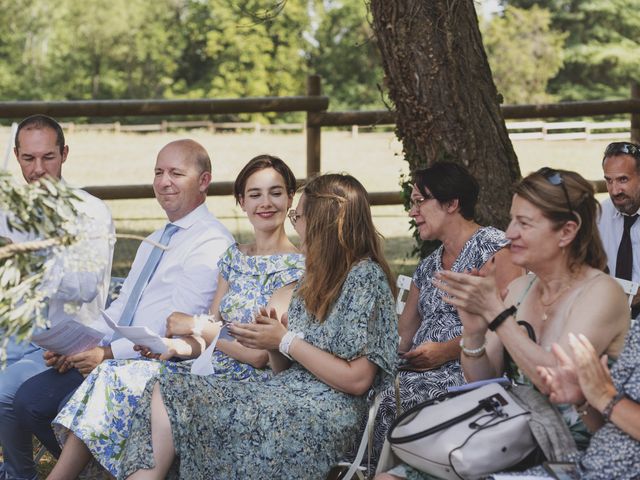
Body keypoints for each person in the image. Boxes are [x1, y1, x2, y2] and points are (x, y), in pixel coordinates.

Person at [117, 173, 398, 479]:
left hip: (328, 410)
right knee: (170, 388)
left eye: (298, 216)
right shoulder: (314, 277)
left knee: (236, 416)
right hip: (284, 392)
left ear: (323, 223)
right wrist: (273, 343)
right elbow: (283, 370)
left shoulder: (365, 279)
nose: (295, 225)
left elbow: (357, 381)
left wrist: (286, 341)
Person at [44, 154, 305, 479]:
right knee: (111, 373)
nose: (266, 203)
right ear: (241, 201)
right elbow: (209, 331)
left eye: (276, 192)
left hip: (248, 380)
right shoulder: (234, 256)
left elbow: (257, 355)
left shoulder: (296, 267)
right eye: (255, 194)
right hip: (204, 365)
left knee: (123, 382)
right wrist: (170, 346)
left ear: (290, 197)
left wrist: (202, 334)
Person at [12, 139, 234, 463]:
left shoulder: (211, 242)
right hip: (111, 353)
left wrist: (106, 354)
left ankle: (117, 465)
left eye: (176, 173)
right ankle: (107, 467)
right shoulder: (157, 237)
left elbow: (173, 326)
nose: (163, 181)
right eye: (158, 172)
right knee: (29, 400)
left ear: (203, 181)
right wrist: (76, 346)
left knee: (45, 403)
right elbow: (122, 304)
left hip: (153, 362)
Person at [436, 169, 629, 442]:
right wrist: (474, 330)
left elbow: (557, 381)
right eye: (512, 220)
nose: (509, 233)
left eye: (524, 224)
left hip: (578, 451)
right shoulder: (519, 289)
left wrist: (497, 314)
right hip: (515, 439)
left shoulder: (602, 293)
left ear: (566, 231)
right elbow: (482, 378)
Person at [370, 161, 523, 467]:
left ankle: (399, 471)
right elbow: (404, 334)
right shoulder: (428, 265)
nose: (412, 212)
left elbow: (511, 322)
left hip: (468, 372)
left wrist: (444, 351)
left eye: (419, 202)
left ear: (452, 203)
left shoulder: (495, 250)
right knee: (364, 388)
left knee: (392, 399)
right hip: (418, 369)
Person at [0, 114, 114, 480]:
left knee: (2, 394)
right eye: (28, 159)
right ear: (17, 156)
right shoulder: (7, 215)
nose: (38, 169)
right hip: (16, 336)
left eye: (48, 157)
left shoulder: (90, 212)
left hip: (70, 342)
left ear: (64, 154)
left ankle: (22, 474)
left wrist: (32, 255)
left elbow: (85, 285)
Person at [533, 325, 640, 478]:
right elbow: (612, 426)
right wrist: (585, 398)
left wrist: (605, 398)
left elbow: (609, 402)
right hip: (586, 468)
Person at [597, 141, 640, 317]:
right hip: (611, 313)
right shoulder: (600, 214)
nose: (614, 191)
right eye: (609, 180)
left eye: (623, 179)